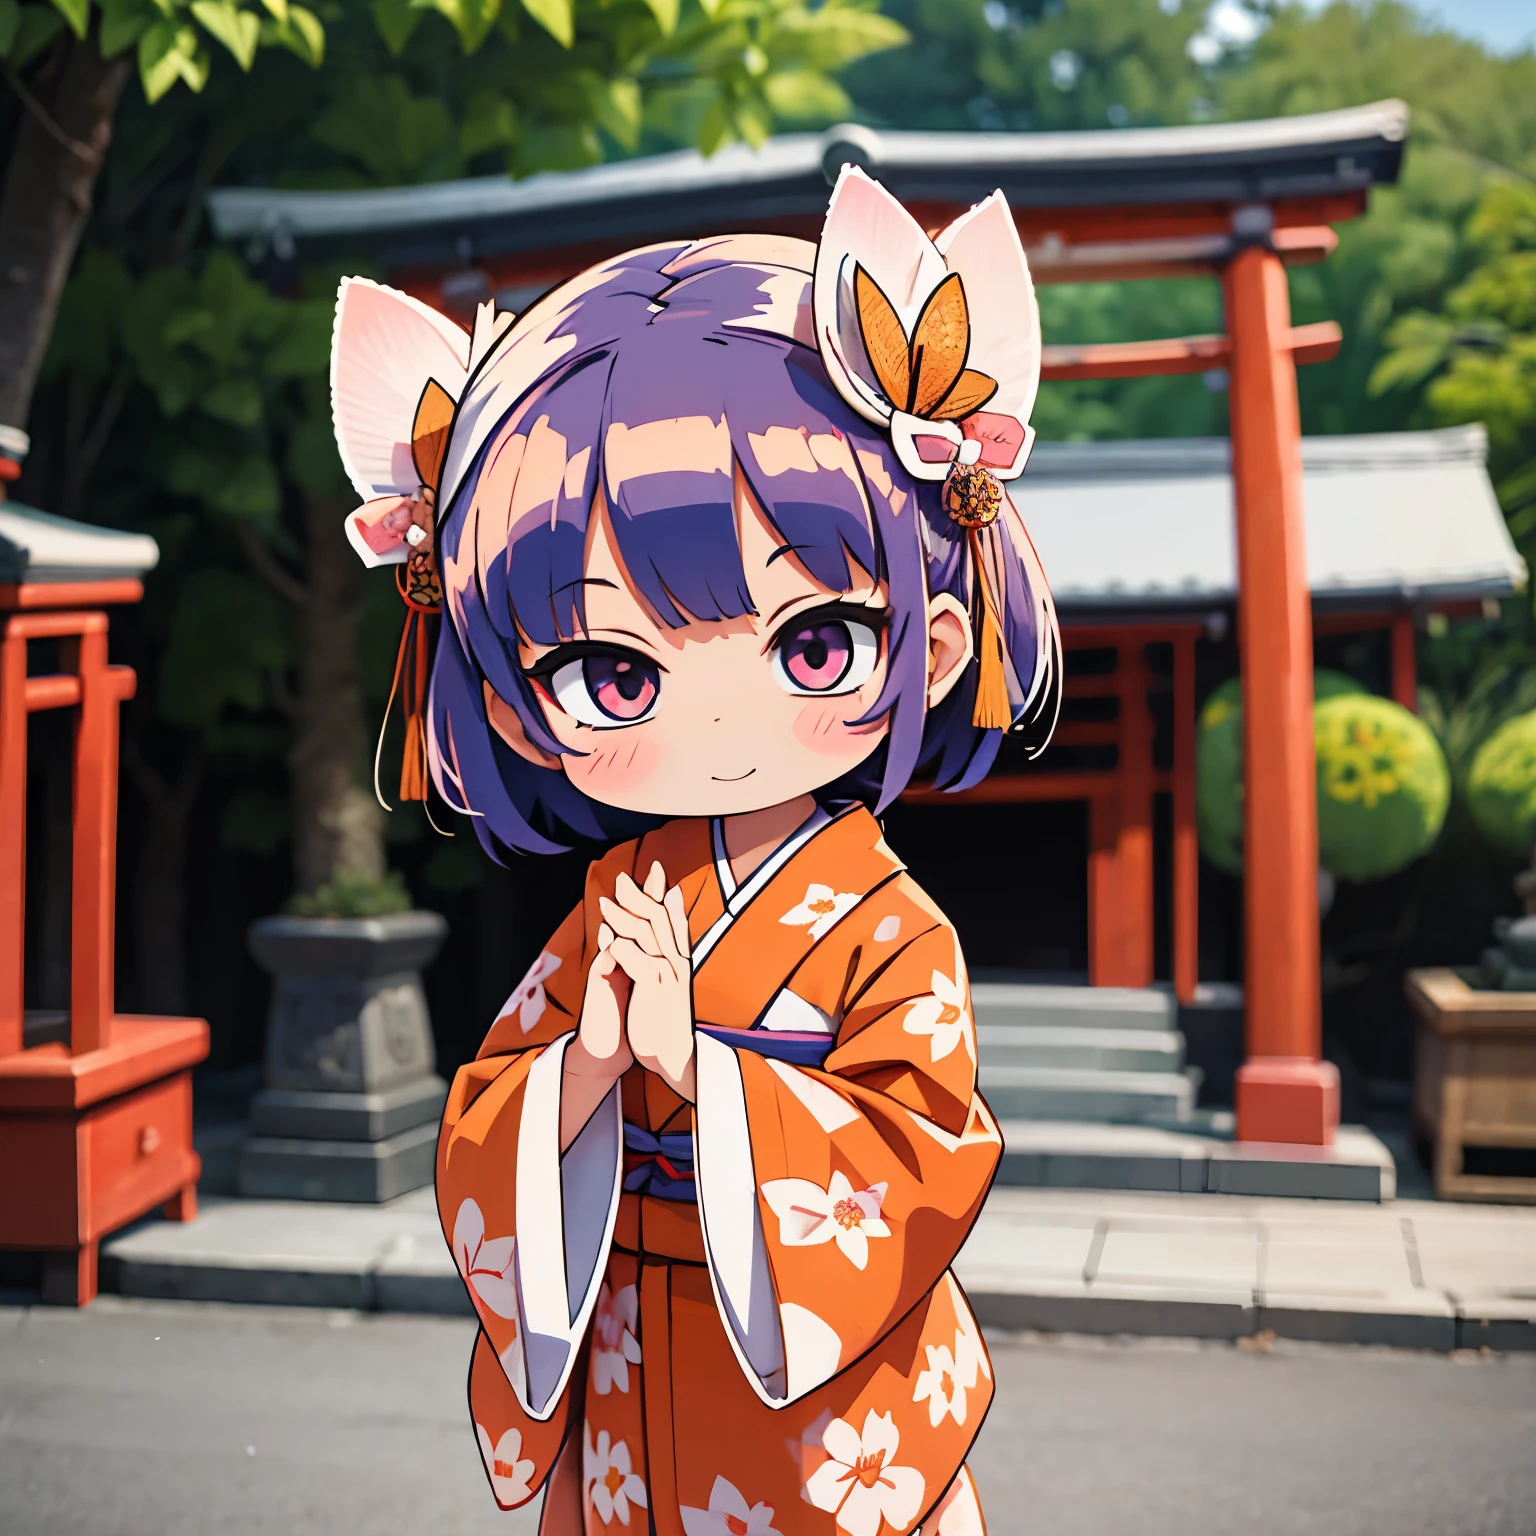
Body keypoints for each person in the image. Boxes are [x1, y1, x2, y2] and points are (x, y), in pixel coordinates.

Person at [328, 165, 1061, 1536]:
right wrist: (593, 1064)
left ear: (937, 645)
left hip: (808, 1383)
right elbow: (496, 1107)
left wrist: (699, 1072)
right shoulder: (623, 890)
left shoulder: (890, 931)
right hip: (629, 1355)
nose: (721, 718)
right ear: (512, 699)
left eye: (814, 643)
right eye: (614, 671)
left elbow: (923, 1157)